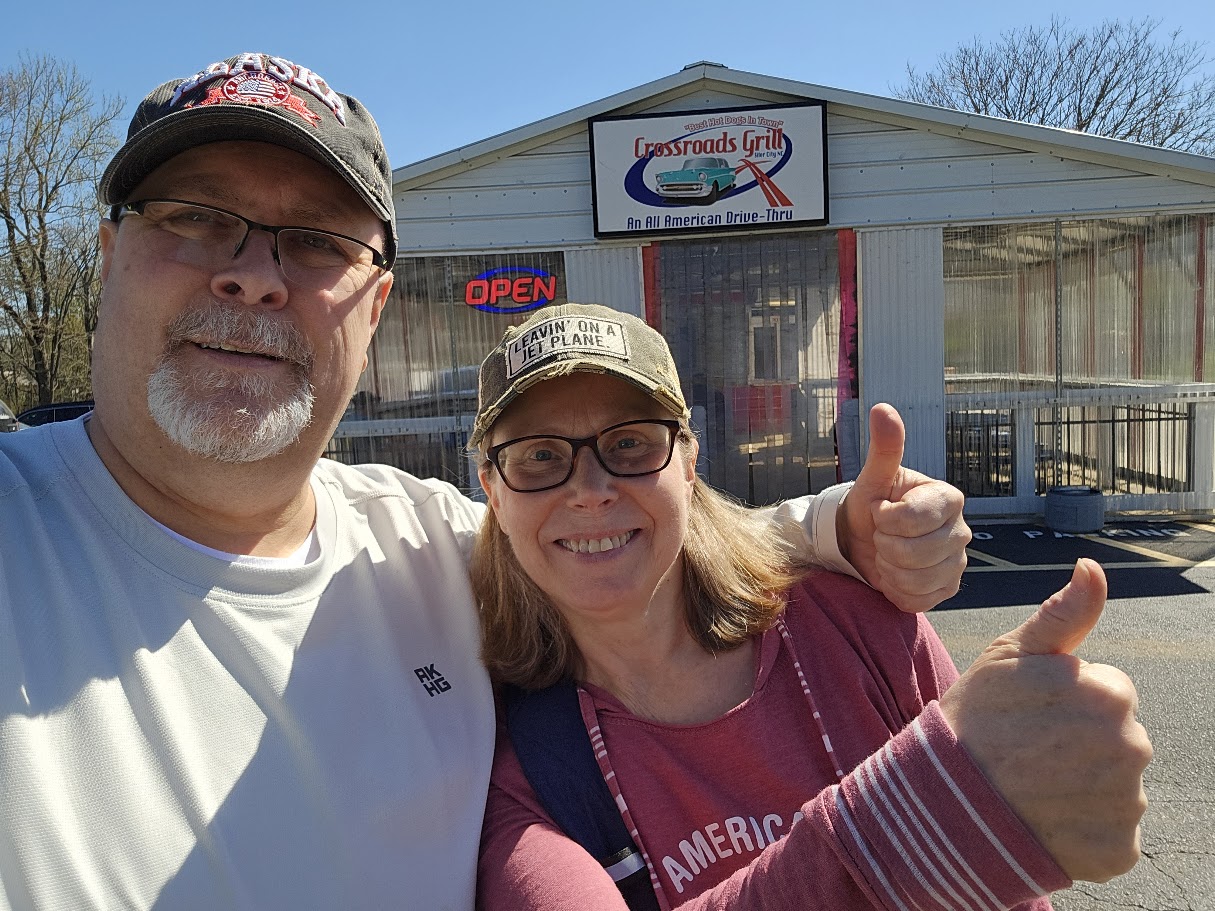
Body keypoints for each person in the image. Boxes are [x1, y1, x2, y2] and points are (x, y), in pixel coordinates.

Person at [0, 53, 974, 911]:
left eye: (319, 240)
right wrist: (955, 810)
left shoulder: (419, 539)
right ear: (109, 254)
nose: (254, 275)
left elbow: (632, 541)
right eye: (196, 218)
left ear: (375, 306)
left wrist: (844, 526)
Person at [470, 303, 1152, 910]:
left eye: (629, 442)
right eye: (538, 456)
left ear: (687, 458)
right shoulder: (522, 770)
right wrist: (929, 814)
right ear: (492, 491)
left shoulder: (854, 625)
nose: (590, 489)